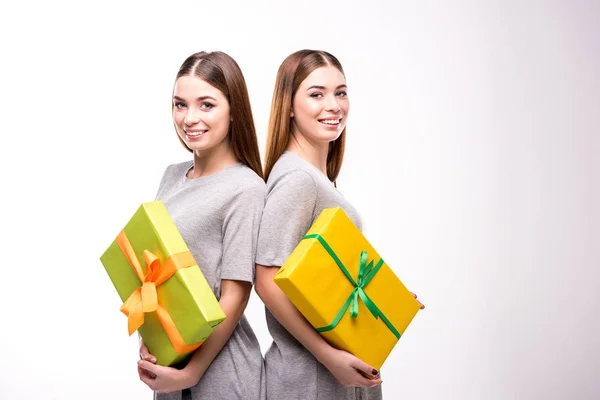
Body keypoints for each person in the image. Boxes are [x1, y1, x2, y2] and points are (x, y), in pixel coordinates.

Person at [255, 49, 424, 400]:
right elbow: (267, 280)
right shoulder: (297, 180)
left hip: (334, 376)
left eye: (340, 92)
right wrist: (329, 356)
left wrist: (387, 298)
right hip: (310, 380)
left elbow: (318, 278)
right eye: (316, 94)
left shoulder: (318, 179)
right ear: (288, 105)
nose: (333, 105)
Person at [136, 51, 266, 400]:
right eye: (180, 105)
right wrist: (150, 341)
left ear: (233, 109)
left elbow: (235, 296)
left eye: (206, 105)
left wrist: (191, 373)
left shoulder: (246, 187)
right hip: (170, 369)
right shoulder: (171, 176)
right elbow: (156, 276)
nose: (189, 118)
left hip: (222, 375)